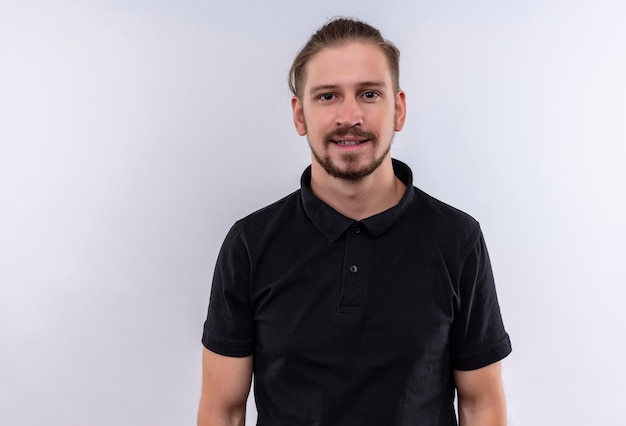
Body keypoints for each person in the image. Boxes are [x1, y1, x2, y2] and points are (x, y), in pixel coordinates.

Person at [198, 17, 512, 426]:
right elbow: (222, 410)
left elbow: (480, 403)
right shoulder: (249, 245)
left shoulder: (457, 239)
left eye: (368, 93)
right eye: (328, 96)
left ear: (398, 108)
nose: (350, 115)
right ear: (300, 115)